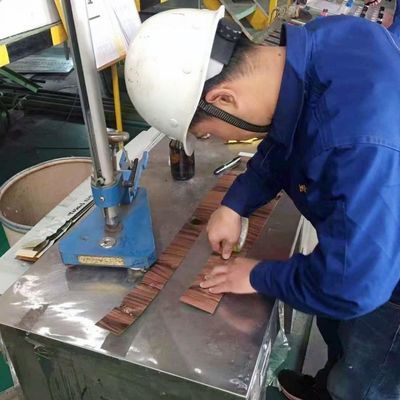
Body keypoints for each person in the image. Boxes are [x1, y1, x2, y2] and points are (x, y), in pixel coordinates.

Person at [125, 6, 400, 400]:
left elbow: (352, 286)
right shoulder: (328, 41)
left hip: (389, 287)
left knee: (364, 378)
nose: (217, 141)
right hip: (375, 234)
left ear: (223, 98)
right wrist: (236, 203)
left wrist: (257, 275)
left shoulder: (356, 145)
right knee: (340, 341)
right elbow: (290, 135)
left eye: (207, 134)